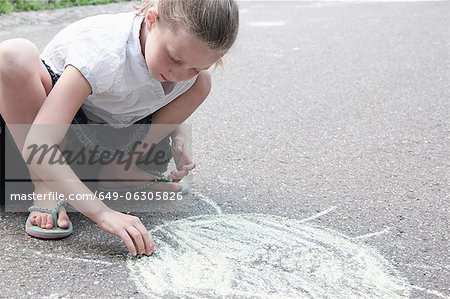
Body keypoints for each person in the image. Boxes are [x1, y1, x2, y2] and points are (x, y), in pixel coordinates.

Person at [0, 0, 239, 256]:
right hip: (42, 141)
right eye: (174, 58)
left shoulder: (185, 68)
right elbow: (39, 145)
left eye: (195, 67)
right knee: (13, 56)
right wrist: (102, 213)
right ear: (151, 19)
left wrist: (177, 133)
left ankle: (120, 170)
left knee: (202, 83)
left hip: (102, 140)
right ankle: (45, 186)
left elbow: (153, 91)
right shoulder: (104, 51)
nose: (179, 74)